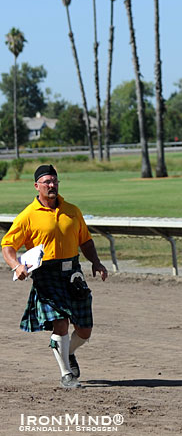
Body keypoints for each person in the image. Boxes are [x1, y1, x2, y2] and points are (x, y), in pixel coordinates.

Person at [1, 164, 108, 390]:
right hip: (46, 274)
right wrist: (16, 266)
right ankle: (66, 375)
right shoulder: (28, 216)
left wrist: (96, 262)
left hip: (73, 273)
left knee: (85, 329)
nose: (52, 185)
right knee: (60, 322)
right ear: (37, 186)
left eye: (55, 181)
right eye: (47, 182)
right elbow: (8, 245)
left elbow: (85, 240)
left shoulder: (72, 210)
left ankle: (68, 353)